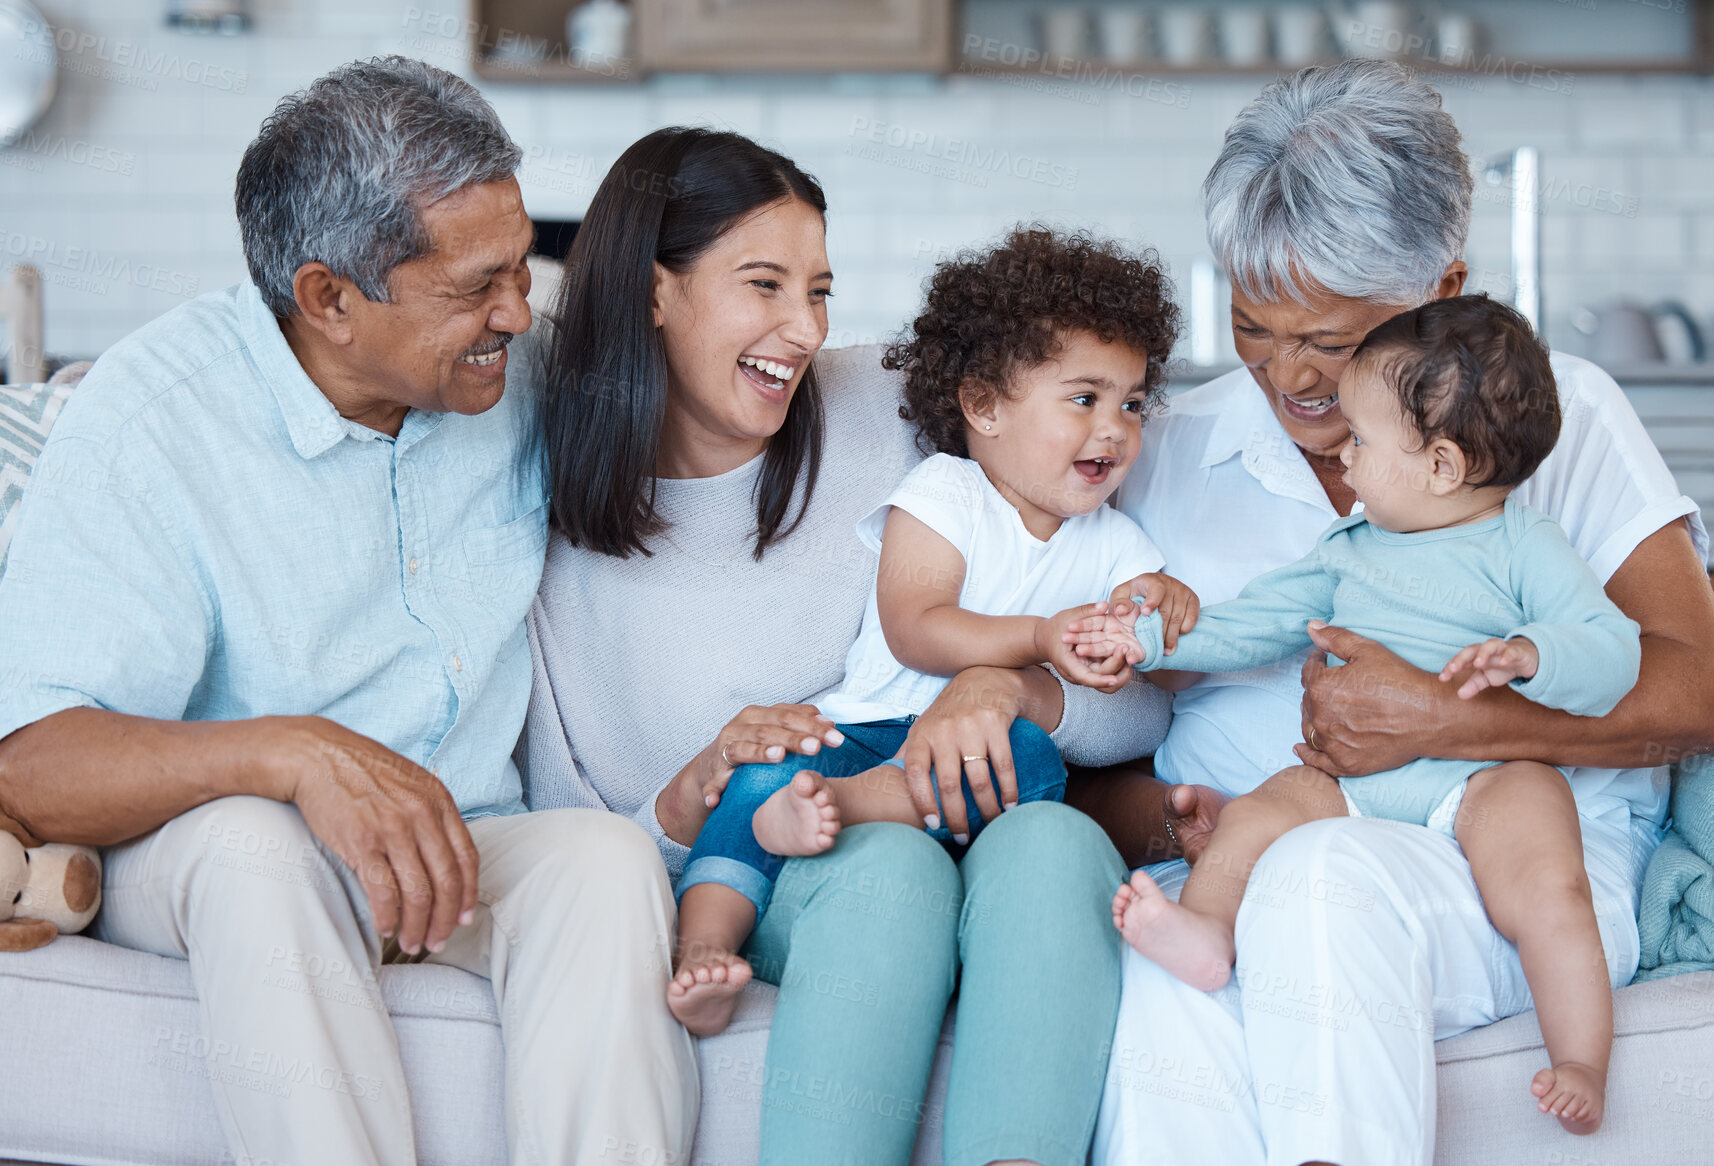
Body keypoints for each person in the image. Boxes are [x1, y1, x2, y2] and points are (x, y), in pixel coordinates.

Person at [0, 58, 695, 1166]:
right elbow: (32, 764)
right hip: (211, 853)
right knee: (251, 844)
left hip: (458, 831)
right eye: (475, 287)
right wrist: (291, 754)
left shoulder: (517, 374)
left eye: (521, 268)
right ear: (328, 298)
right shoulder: (154, 422)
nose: (517, 312)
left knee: (602, 862)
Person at [1072, 59, 1714, 1166]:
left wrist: (1446, 721)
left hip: (1513, 876)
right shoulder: (1163, 448)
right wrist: (1171, 820)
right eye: (1254, 327)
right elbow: (1090, 734)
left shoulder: (1563, 423)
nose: (1288, 377)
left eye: (1330, 340)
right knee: (1164, 980)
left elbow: (1694, 688)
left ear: (1444, 285)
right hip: (1251, 853)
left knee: (1321, 883)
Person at [517, 128, 1175, 1166]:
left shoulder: (901, 409)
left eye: (818, 290)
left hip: (988, 803)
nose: (803, 328)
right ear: (654, 293)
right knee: (886, 872)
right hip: (780, 865)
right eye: (764, 285)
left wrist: (1003, 684)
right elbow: (580, 841)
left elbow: (1136, 704)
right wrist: (700, 785)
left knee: (1057, 848)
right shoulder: (547, 527)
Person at [1084, 295, 1637, 1133]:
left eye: (1364, 441)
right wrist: (1150, 643)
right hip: (1354, 781)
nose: (1344, 452)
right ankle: (1204, 929)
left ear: (1443, 466)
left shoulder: (1526, 547)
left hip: (1485, 778)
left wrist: (1536, 655)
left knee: (1549, 886)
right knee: (1260, 814)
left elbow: (1612, 653)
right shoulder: (1348, 549)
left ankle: (1580, 1059)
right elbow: (1246, 624)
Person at [667, 227, 1194, 1038]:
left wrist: (1163, 610)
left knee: (1036, 759)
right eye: (1084, 399)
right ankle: (704, 948)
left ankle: (827, 809)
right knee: (761, 769)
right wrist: (1042, 637)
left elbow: (1154, 678)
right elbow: (917, 628)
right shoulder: (947, 493)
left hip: (975, 774)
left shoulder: (1117, 543)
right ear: (983, 405)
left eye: (1131, 402)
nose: (1117, 427)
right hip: (868, 731)